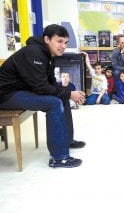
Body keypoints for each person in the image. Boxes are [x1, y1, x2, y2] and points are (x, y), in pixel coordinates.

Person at [0, 24, 86, 168]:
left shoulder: (47, 54)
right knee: (54, 103)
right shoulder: (34, 52)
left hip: (20, 90)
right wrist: (70, 94)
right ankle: (59, 157)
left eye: (65, 42)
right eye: (59, 41)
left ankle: (65, 140)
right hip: (6, 95)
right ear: (47, 39)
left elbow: (49, 83)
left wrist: (67, 92)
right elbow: (41, 87)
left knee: (62, 96)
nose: (63, 46)